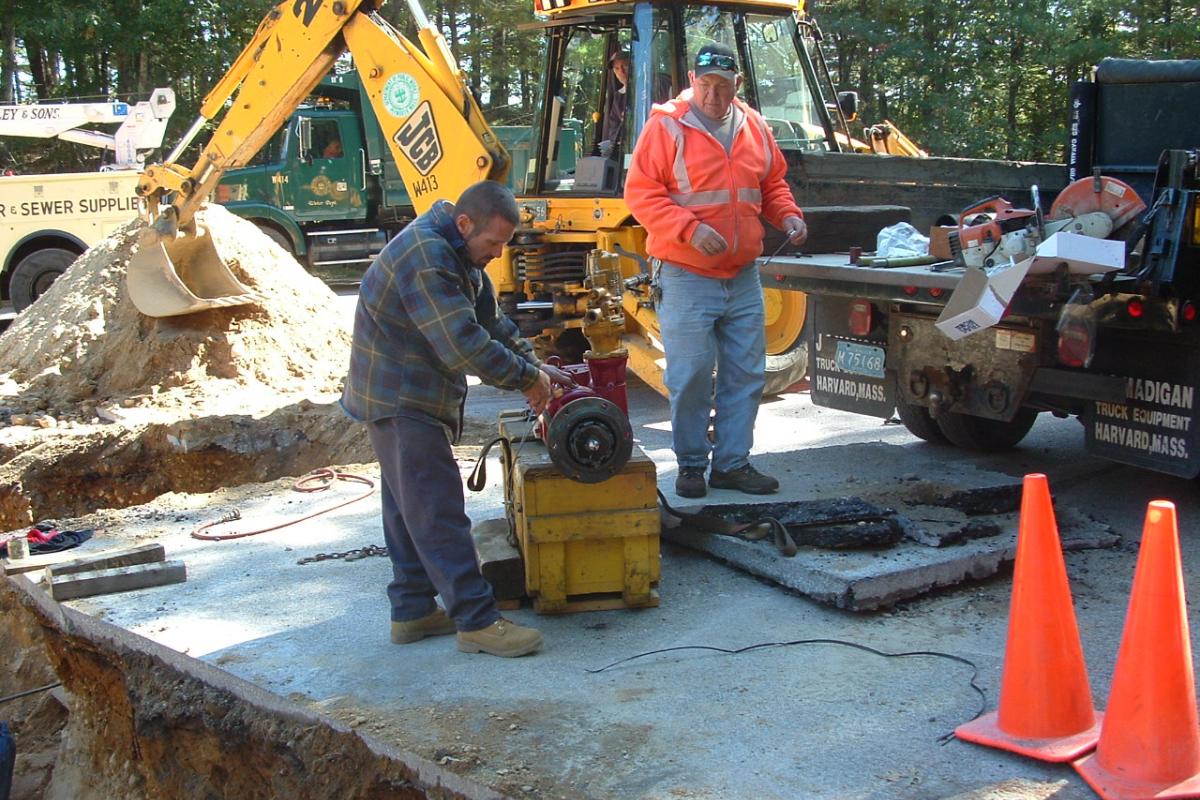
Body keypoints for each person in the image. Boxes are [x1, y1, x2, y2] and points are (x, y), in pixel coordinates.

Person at [342, 180, 571, 658]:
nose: (496, 254)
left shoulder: (459, 250)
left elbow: (490, 321)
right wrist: (526, 381)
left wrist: (534, 364)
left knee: (409, 509)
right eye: (492, 244)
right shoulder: (427, 255)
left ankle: (412, 611)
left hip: (406, 393)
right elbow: (463, 343)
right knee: (437, 508)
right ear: (465, 224)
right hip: (400, 397)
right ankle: (477, 620)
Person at [624, 42, 808, 499]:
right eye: (705, 85)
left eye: (722, 87)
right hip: (686, 274)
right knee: (689, 375)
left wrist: (787, 215)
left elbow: (771, 184)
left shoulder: (754, 127)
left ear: (737, 85)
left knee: (746, 375)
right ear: (693, 81)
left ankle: (731, 464)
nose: (713, 96)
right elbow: (641, 194)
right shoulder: (666, 126)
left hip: (743, 275)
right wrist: (688, 230)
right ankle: (690, 465)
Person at [599, 50, 631, 157]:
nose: (621, 71)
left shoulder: (654, 89)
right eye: (616, 68)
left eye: (625, 66)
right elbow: (613, 128)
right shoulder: (618, 97)